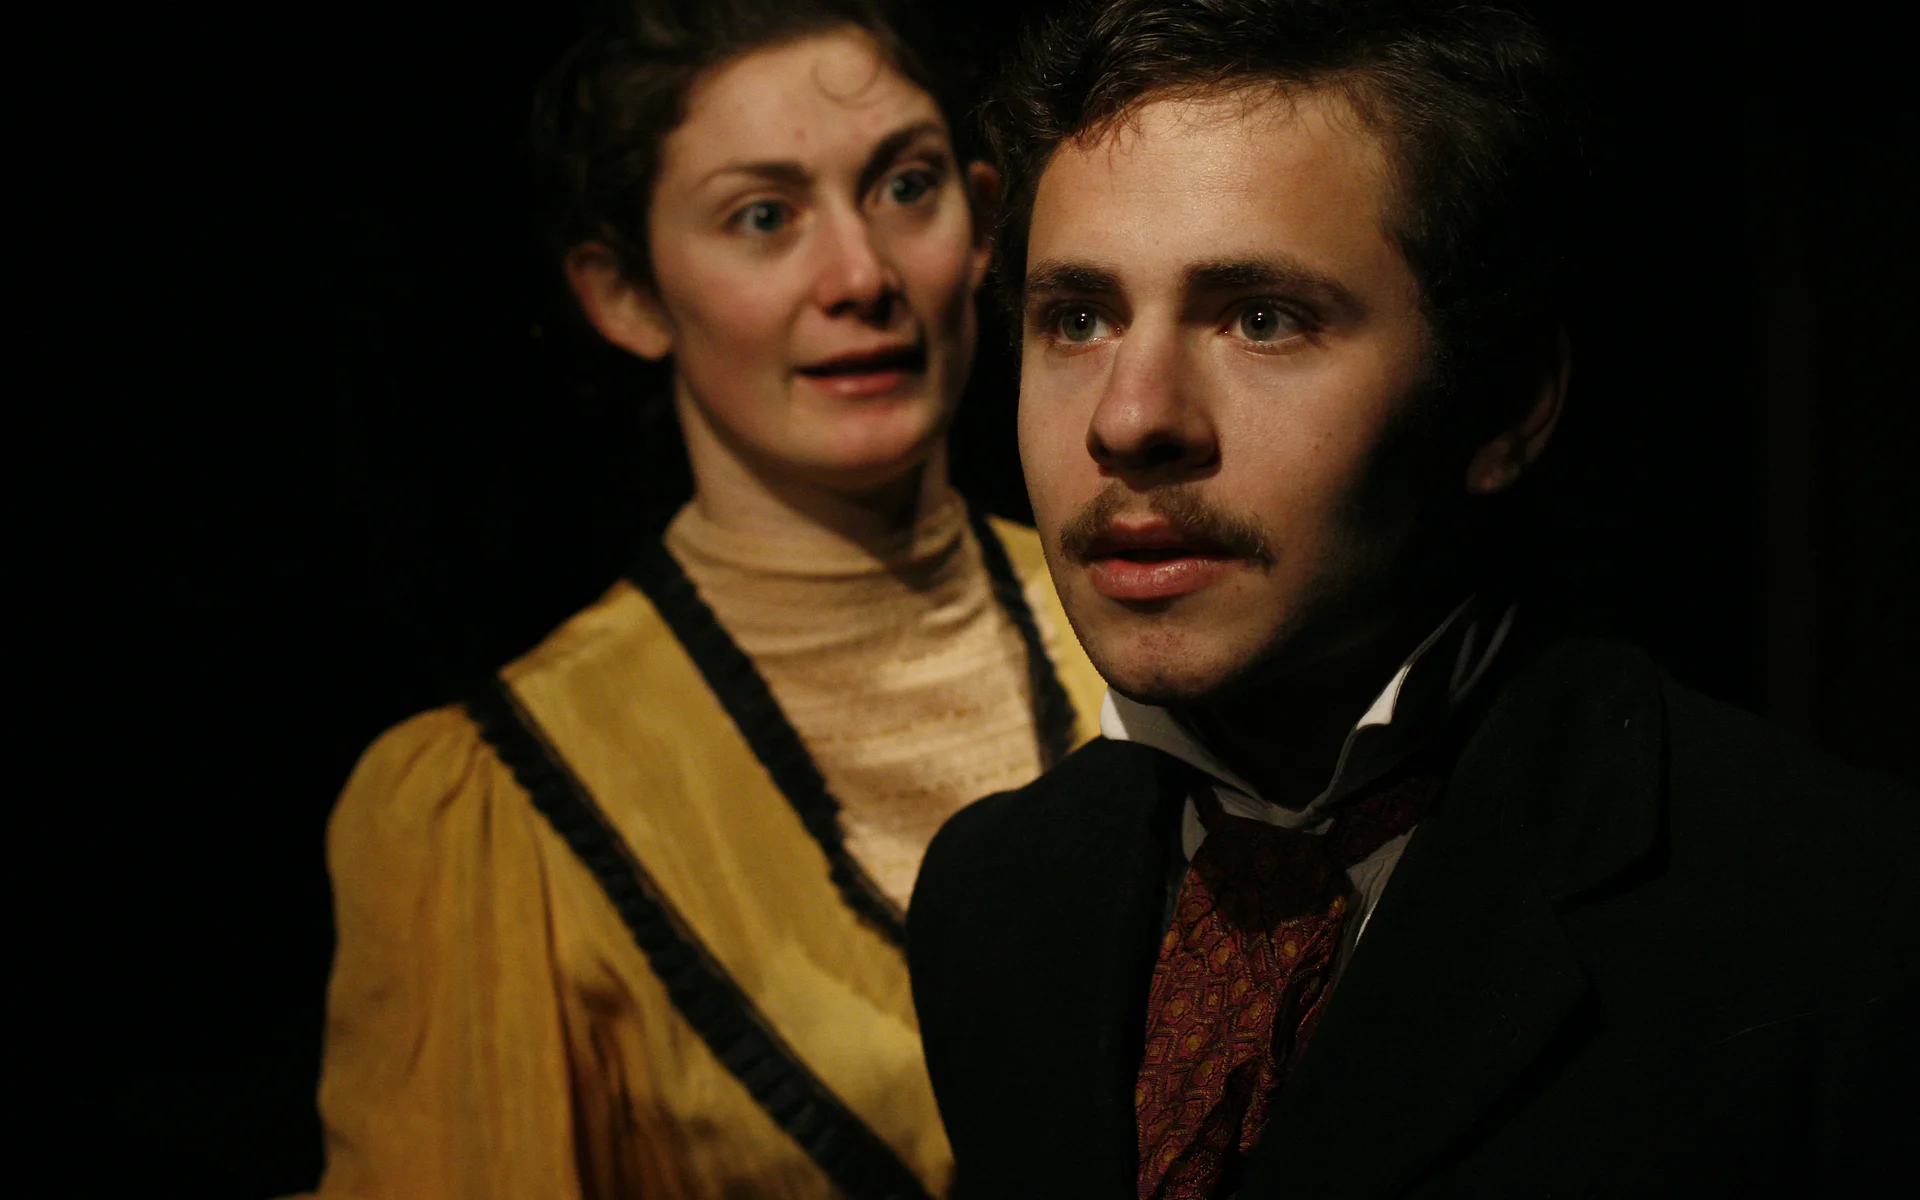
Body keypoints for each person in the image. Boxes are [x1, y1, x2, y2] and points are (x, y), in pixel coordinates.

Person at [905, 1, 1918, 1195]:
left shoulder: (1838, 922)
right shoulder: (995, 897)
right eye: (1077, 320)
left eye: (1263, 320)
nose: (1129, 419)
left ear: (1505, 405)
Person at [311, 2, 1107, 1196]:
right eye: (763, 217)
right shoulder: (500, 807)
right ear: (625, 294)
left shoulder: (1150, 630)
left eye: (905, 187)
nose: (861, 275)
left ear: (987, 219)